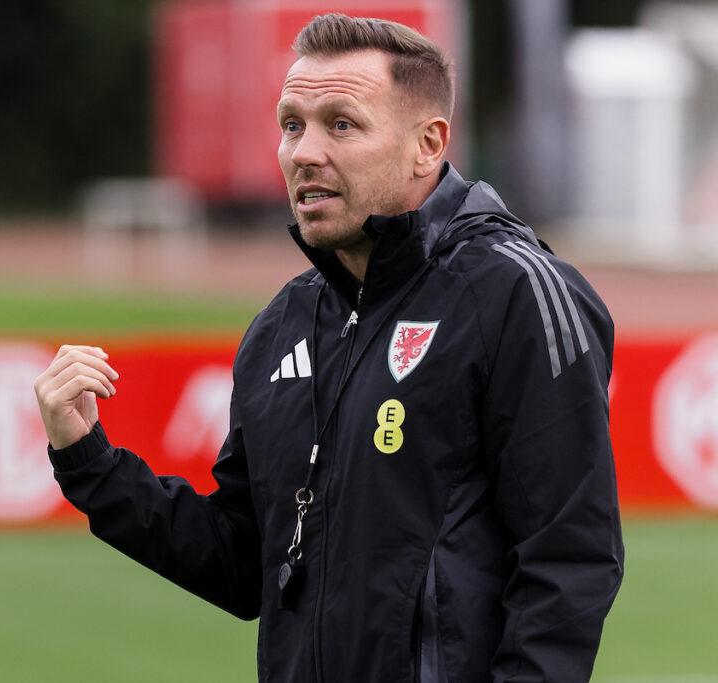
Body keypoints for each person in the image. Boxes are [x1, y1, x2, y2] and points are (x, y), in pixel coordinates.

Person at [34, 13, 623, 682]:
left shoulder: (515, 292)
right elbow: (245, 562)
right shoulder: (282, 323)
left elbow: (569, 557)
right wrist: (91, 464)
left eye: (341, 125)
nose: (303, 153)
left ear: (427, 145)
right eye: (292, 125)